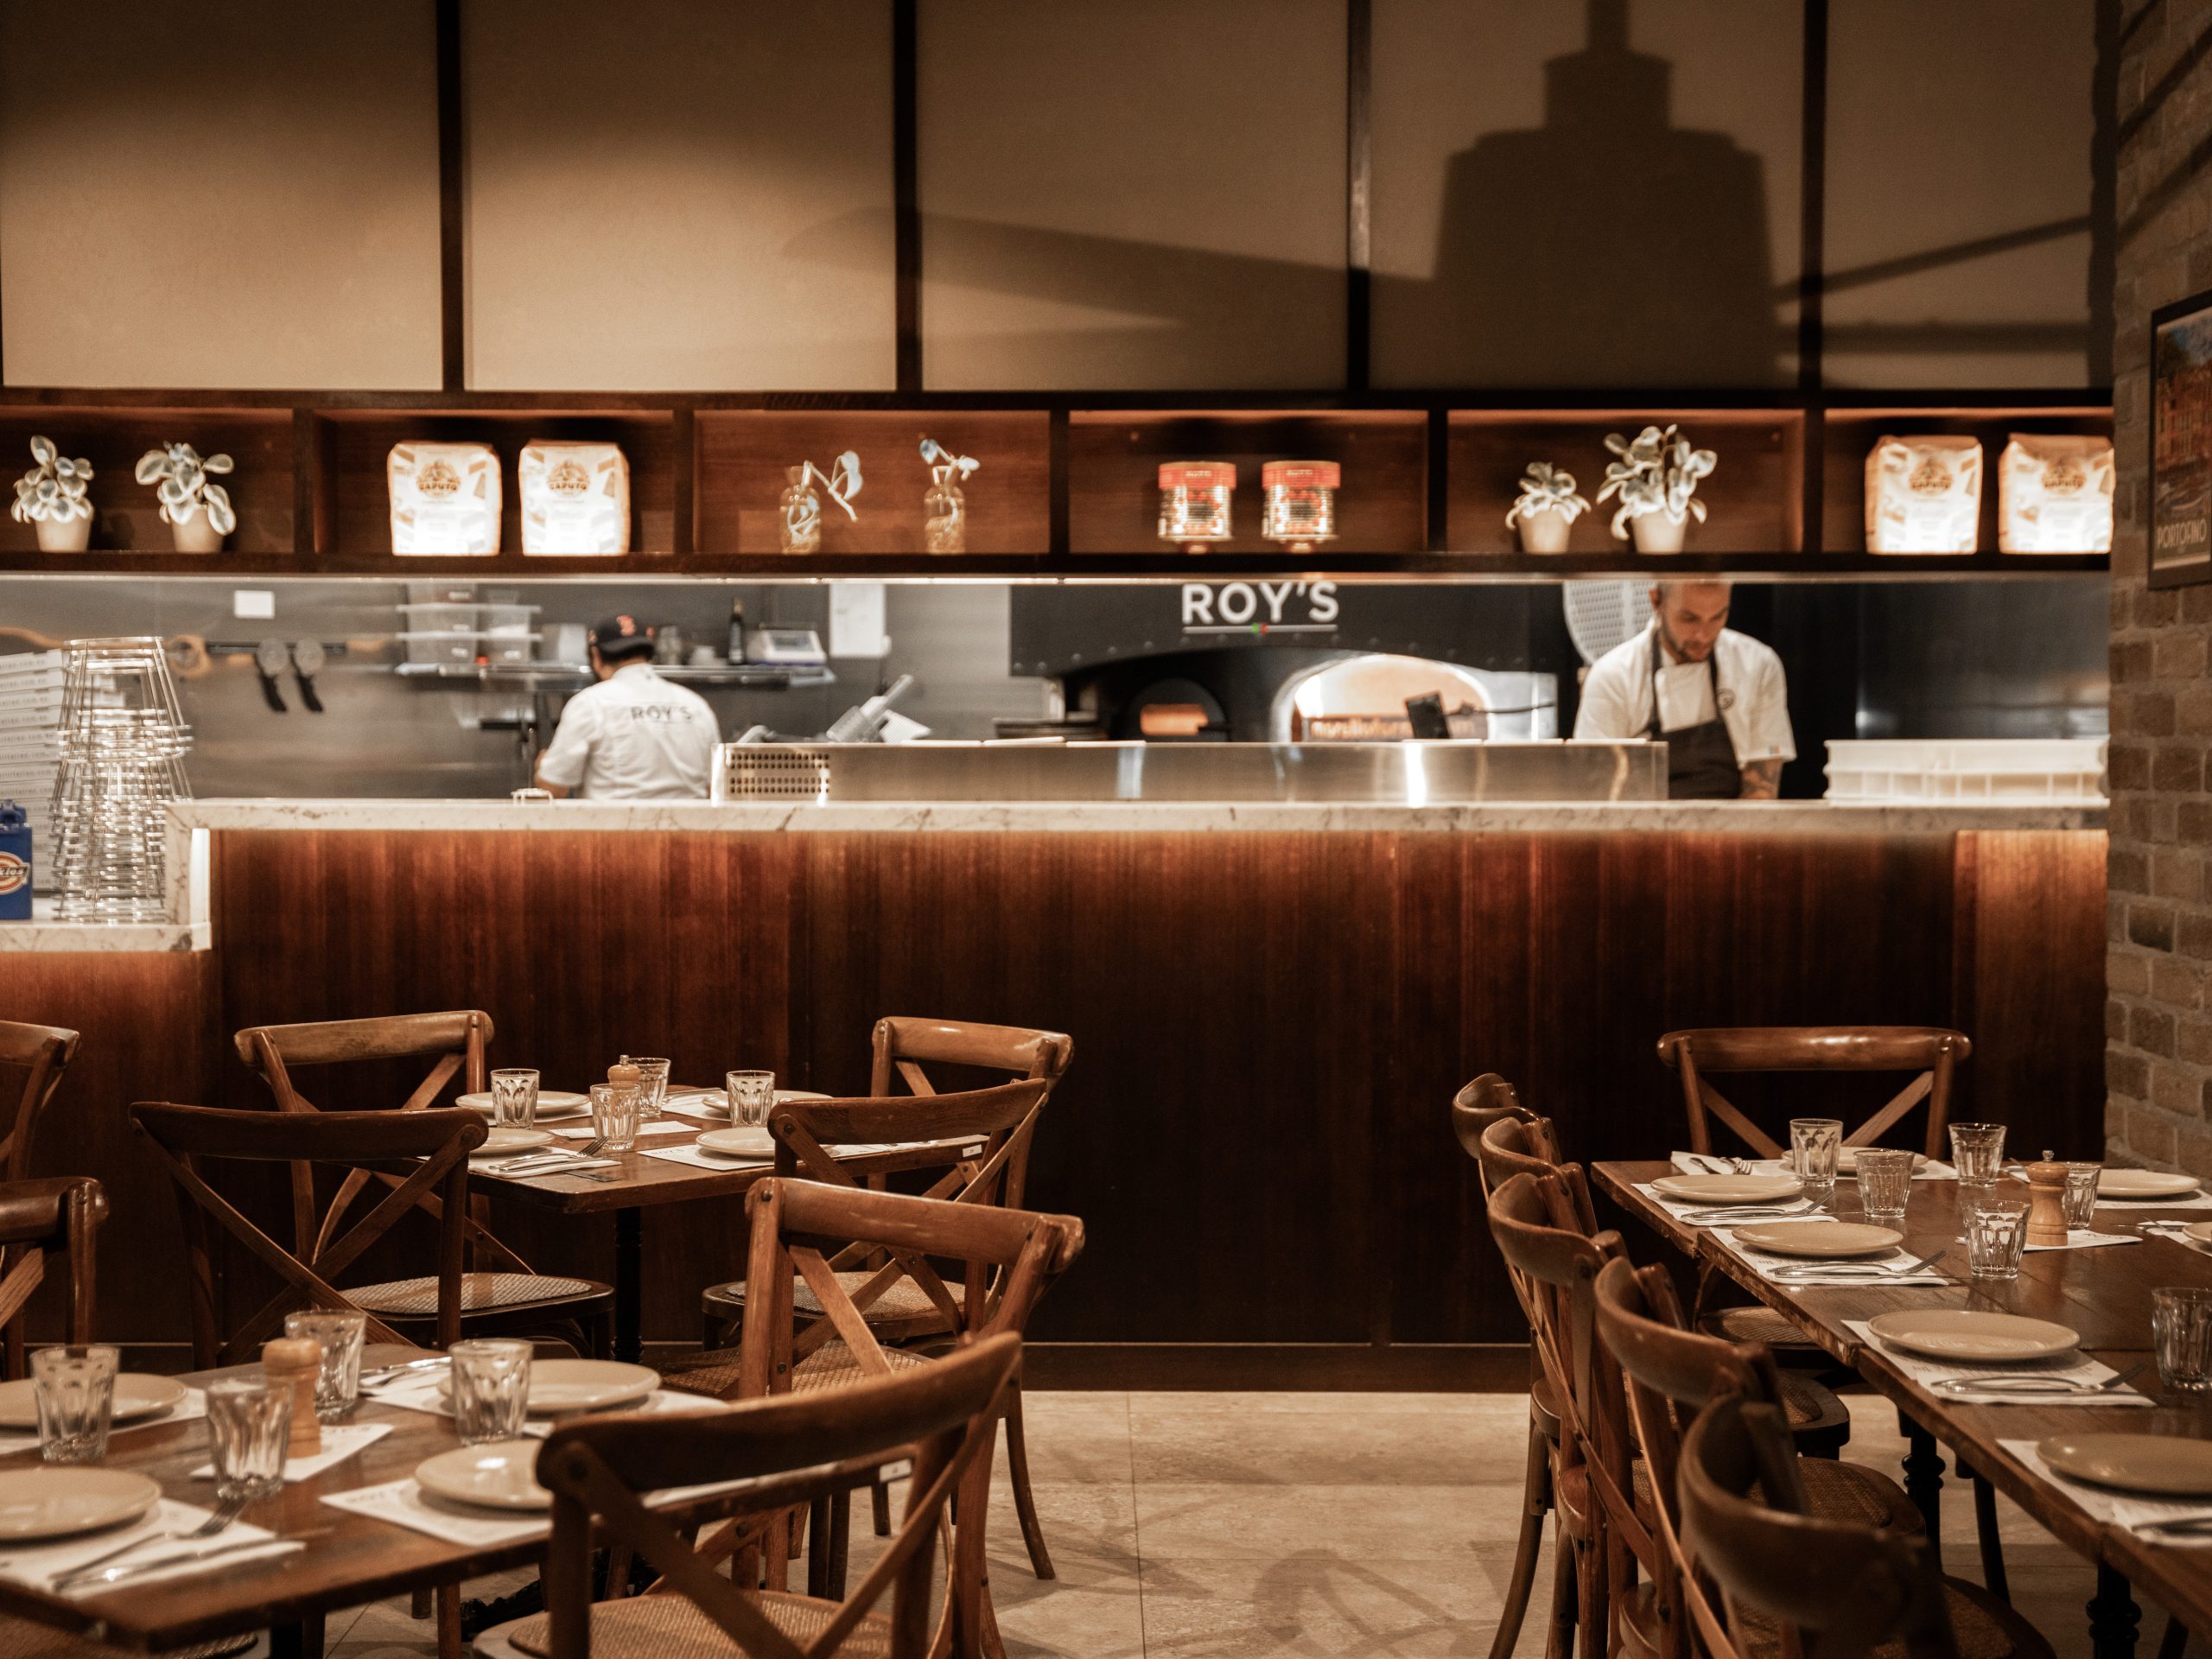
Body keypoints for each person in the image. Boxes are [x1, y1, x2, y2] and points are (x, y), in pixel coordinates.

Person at [1571, 580, 1793, 799]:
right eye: (1689, 618)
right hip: (1640, 831)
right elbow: (1598, 796)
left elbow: (1761, 791)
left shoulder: (1758, 664)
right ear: (1656, 601)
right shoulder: (1612, 677)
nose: (1703, 635)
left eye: (1718, 617)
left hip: (1732, 832)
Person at [533, 614, 719, 799]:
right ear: (648, 655)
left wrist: (544, 769)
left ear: (596, 657)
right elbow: (716, 788)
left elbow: (552, 790)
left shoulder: (590, 704)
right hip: (691, 828)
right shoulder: (695, 705)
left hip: (616, 828)